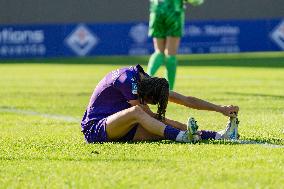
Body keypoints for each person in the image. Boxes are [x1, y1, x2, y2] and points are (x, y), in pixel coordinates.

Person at [81, 64, 239, 143]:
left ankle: (221, 135)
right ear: (147, 96)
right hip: (96, 129)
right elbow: (150, 116)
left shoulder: (146, 81)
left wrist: (220, 109)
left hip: (122, 126)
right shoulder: (128, 82)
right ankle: (182, 137)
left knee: (160, 132)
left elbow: (185, 99)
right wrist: (180, 128)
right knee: (138, 112)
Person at [147, 0, 204, 90]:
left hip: (157, 10)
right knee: (170, 54)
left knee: (159, 51)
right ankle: (169, 90)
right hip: (173, 11)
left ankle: (145, 79)